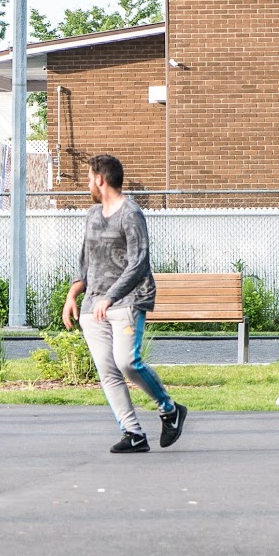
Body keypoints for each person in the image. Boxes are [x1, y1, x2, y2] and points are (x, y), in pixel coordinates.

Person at [62, 154, 187, 454]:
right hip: (94, 307)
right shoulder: (92, 215)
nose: (88, 184)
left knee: (127, 362)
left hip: (128, 302)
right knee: (108, 371)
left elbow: (139, 263)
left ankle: (170, 409)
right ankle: (133, 433)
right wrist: (72, 294)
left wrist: (111, 297)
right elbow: (86, 265)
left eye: (90, 178)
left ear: (100, 179)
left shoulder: (131, 214)